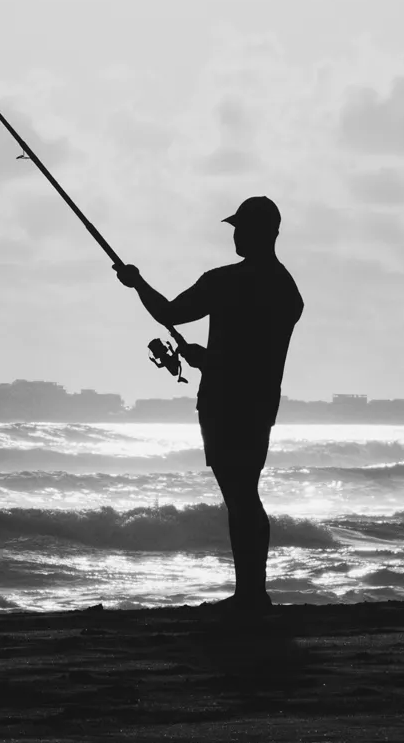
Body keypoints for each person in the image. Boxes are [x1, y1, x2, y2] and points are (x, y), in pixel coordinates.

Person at [114, 195, 303, 614]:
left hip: (223, 403)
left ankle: (250, 596)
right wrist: (209, 360)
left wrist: (137, 283)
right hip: (260, 406)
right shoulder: (288, 290)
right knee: (245, 494)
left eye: (241, 227)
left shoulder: (224, 281)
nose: (235, 234)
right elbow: (261, 356)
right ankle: (252, 592)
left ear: (262, 233)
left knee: (240, 497)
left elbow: (168, 312)